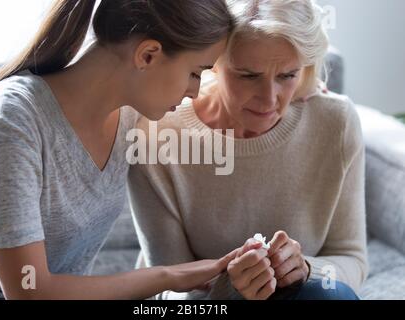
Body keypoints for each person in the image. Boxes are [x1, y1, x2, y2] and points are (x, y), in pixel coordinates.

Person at [0, 0, 241, 300]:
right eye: (196, 73)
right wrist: (168, 276)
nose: (195, 92)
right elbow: (28, 290)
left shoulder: (131, 116)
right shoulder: (11, 119)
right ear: (147, 55)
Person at [128, 0, 368, 300]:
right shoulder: (157, 134)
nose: (269, 100)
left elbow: (352, 259)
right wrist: (231, 288)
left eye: (287, 75)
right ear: (213, 62)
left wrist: (306, 269)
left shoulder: (336, 122)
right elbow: (168, 291)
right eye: (248, 75)